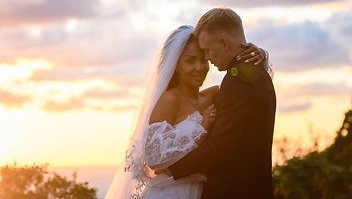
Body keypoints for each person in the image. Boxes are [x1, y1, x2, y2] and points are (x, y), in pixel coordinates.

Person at [104, 23, 270, 199]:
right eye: (190, 61)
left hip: (202, 191)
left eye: (203, 60)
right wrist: (200, 128)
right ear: (176, 65)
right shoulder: (170, 100)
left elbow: (244, 96)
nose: (200, 68)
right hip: (170, 192)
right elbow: (153, 156)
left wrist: (257, 56)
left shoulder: (215, 94)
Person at [168, 8, 277, 198]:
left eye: (207, 50)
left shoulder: (238, 80)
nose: (207, 58)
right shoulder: (258, 72)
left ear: (224, 43)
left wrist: (170, 165)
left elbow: (219, 150)